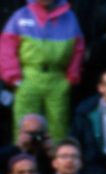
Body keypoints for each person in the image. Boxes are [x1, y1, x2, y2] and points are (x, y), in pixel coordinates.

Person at [0, 0, 84, 141]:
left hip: (58, 77)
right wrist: (13, 76)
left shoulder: (69, 17)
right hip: (28, 77)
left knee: (59, 124)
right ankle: (23, 154)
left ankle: (58, 154)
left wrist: (72, 75)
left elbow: (78, 48)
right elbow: (7, 46)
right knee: (26, 124)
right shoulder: (22, 15)